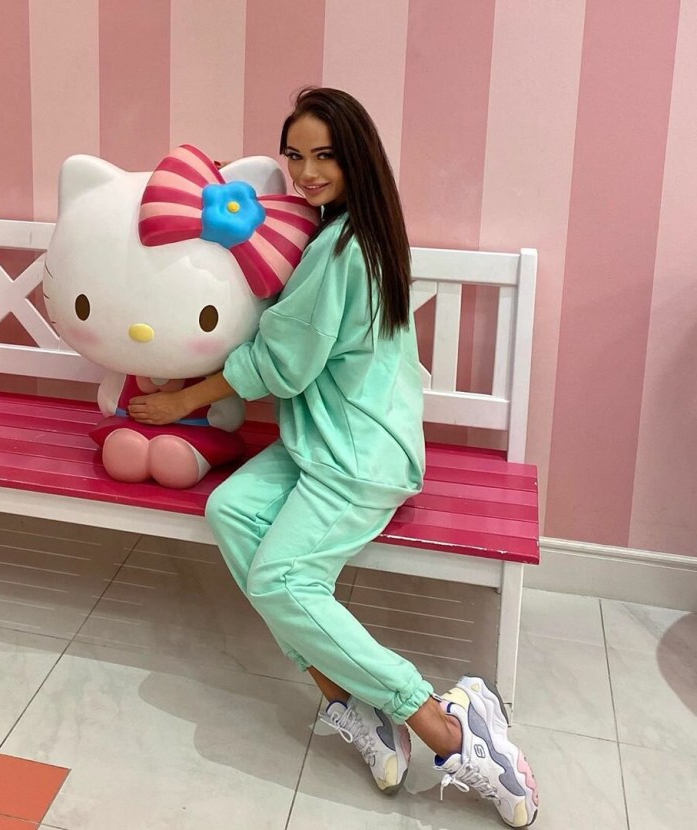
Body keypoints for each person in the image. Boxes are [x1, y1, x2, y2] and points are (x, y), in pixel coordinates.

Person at [129, 87, 539, 828]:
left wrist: (179, 401)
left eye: (324, 156)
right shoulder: (349, 233)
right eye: (295, 155)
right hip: (318, 439)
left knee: (282, 579)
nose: (306, 172)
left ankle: (444, 723)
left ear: (356, 160)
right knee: (231, 511)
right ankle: (347, 700)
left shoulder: (343, 249)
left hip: (360, 453)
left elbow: (280, 364)